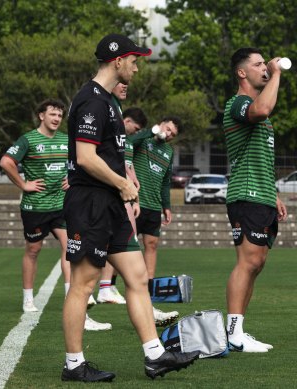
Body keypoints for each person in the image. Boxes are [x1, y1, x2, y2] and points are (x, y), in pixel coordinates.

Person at [61, 33, 199, 382]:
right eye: (134, 61)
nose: (137, 68)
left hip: (111, 202)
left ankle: (156, 356)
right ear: (118, 60)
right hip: (91, 202)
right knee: (84, 283)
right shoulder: (91, 100)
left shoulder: (110, 102)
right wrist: (124, 184)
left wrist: (127, 187)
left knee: (137, 277)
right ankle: (74, 365)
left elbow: (111, 156)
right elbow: (86, 158)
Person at [0, 99, 111, 331]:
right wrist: (23, 184)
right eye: (52, 114)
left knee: (69, 246)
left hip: (62, 205)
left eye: (59, 115)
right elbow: (6, 162)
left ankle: (73, 297)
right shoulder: (28, 139)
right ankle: (28, 299)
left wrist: (72, 178)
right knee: (33, 250)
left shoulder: (66, 140)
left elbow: (82, 160)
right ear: (41, 115)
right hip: (36, 207)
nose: (56, 118)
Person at [223, 47, 288, 353]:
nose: (265, 67)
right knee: (247, 262)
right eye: (259, 64)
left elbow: (258, 156)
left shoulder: (256, 106)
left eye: (266, 64)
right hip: (245, 195)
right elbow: (262, 110)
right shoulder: (239, 103)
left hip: (261, 195)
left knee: (257, 263)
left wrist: (273, 193)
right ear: (242, 72)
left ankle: (238, 330)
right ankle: (232, 333)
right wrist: (276, 73)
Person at [131, 116, 180, 326]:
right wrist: (151, 131)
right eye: (167, 129)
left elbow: (166, 181)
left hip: (152, 207)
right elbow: (127, 143)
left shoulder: (169, 152)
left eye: (172, 134)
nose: (168, 135)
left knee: (152, 245)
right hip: (133, 203)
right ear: (161, 123)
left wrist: (166, 206)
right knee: (120, 247)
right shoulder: (144, 139)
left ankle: (148, 297)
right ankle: (107, 287)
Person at [96, 104, 147, 305]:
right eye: (136, 128)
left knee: (126, 240)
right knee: (119, 242)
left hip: (126, 196)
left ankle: (107, 286)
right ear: (126, 121)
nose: (137, 132)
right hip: (111, 195)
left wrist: (136, 199)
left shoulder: (127, 142)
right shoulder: (110, 135)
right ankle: (105, 287)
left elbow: (128, 167)